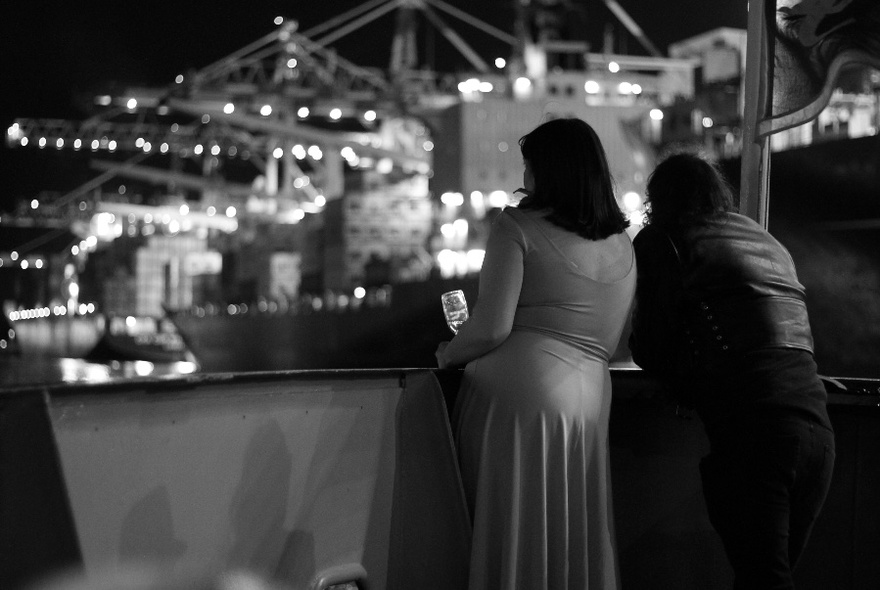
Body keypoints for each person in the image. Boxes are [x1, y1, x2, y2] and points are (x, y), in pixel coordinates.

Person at [436, 117, 635, 590]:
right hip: (590, 402)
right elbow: (617, 343)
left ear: (545, 171)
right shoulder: (623, 243)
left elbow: (489, 328)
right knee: (571, 530)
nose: (523, 177)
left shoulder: (516, 226)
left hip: (515, 398)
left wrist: (449, 353)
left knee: (508, 526)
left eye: (528, 165)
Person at [628, 152, 835, 590]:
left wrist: (681, 378)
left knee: (761, 579)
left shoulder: (664, 239)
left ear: (657, 200)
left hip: (756, 433)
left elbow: (652, 342)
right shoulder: (764, 240)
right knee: (767, 579)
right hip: (817, 431)